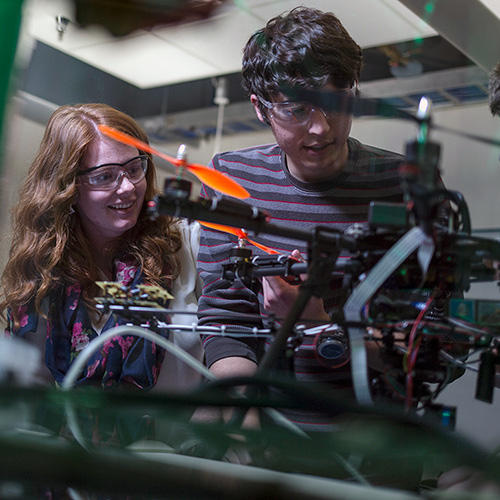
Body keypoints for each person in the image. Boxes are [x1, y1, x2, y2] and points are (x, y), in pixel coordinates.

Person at [197, 6, 411, 427]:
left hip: (378, 445)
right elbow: (227, 320)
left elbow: (428, 347)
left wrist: (318, 323)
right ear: (260, 109)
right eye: (296, 111)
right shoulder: (232, 179)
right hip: (269, 434)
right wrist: (243, 410)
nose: (321, 129)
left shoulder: (406, 187)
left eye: (337, 103)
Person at [0, 103, 203, 391]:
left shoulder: (186, 245)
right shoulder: (44, 271)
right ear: (68, 187)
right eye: (105, 176)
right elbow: (26, 389)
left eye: (134, 168)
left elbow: (233, 348)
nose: (128, 187)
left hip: (178, 436)